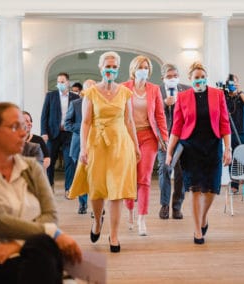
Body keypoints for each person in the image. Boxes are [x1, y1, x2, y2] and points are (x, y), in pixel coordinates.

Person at [0, 102, 82, 284]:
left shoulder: (31, 169)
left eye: (23, 126)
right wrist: (52, 232)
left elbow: (50, 215)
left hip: (30, 252)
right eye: (15, 127)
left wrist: (17, 246)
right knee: (48, 248)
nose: (23, 133)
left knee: (46, 249)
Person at [68, 51, 140, 253]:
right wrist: (83, 147)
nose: (111, 69)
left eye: (114, 66)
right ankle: (98, 221)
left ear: (118, 69)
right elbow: (85, 122)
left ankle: (114, 235)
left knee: (117, 191)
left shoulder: (125, 93)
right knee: (97, 189)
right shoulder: (90, 93)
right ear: (101, 68)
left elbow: (129, 121)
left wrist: (136, 145)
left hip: (120, 144)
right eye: (108, 66)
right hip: (97, 144)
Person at [165, 62, 231, 245]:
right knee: (195, 189)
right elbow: (176, 127)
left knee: (211, 189)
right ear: (190, 79)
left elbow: (224, 123)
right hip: (191, 147)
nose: (200, 80)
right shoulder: (183, 97)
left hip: (213, 145)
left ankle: (203, 217)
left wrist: (228, 148)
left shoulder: (217, 95)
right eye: (196, 77)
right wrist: (170, 152)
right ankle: (197, 230)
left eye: (203, 77)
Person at [122, 55, 168, 235]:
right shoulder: (123, 88)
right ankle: (130, 211)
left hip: (149, 136)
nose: (144, 69)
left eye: (146, 67)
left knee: (144, 178)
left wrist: (164, 138)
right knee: (129, 177)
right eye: (140, 66)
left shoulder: (154, 89)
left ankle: (142, 218)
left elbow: (160, 115)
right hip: (127, 137)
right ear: (133, 69)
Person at [157, 63, 190, 220]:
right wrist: (164, 103)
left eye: (175, 76)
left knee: (181, 172)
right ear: (163, 77)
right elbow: (152, 112)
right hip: (164, 138)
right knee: (165, 169)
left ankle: (177, 206)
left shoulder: (187, 89)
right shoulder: (156, 91)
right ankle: (164, 205)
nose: (172, 79)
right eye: (169, 77)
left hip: (183, 137)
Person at [40, 72, 79, 195]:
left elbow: (78, 116)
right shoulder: (50, 96)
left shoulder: (75, 97)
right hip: (52, 134)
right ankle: (50, 185)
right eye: (58, 82)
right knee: (49, 161)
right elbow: (44, 116)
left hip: (69, 134)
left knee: (70, 161)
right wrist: (44, 132)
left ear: (68, 83)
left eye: (62, 82)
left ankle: (68, 189)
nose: (60, 84)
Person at [65, 79, 96, 215]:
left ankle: (97, 205)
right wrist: (84, 127)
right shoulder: (75, 104)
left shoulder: (101, 103)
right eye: (88, 88)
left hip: (97, 145)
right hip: (78, 145)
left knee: (96, 177)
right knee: (82, 176)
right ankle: (83, 204)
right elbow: (67, 124)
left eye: (93, 87)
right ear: (83, 90)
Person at [224, 74, 244, 195]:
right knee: (232, 159)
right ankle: (234, 186)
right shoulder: (224, 97)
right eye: (231, 83)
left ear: (238, 84)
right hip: (230, 133)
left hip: (243, 132)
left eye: (235, 83)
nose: (233, 85)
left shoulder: (243, 95)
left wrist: (238, 92)